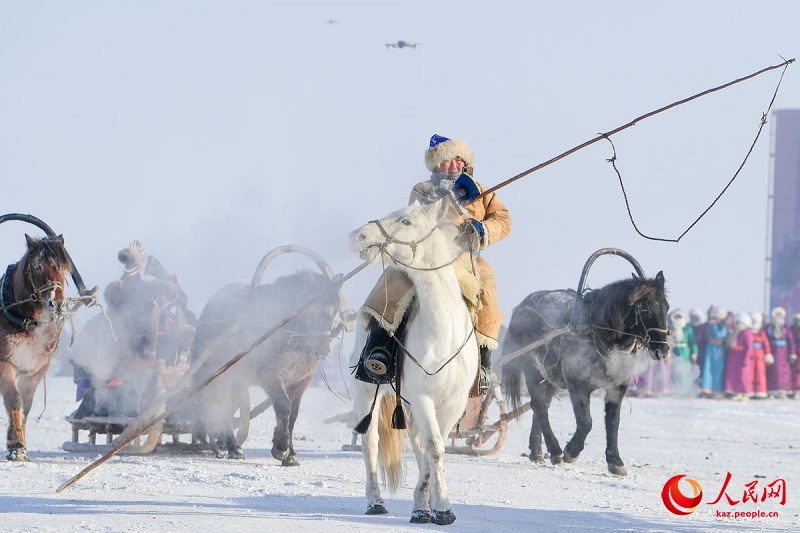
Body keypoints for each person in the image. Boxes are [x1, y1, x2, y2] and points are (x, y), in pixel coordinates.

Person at [359, 134, 511, 395]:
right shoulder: (423, 190)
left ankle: (483, 364)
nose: (452, 166)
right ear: (435, 165)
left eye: (457, 160)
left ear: (465, 163)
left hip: (464, 258)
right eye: (445, 161)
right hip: (426, 255)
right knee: (392, 281)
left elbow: (503, 221)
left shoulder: (483, 192)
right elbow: (413, 219)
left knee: (487, 293)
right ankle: (379, 348)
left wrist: (481, 229)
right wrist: (441, 205)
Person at [764, 307, 795, 399]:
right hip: (772, 351)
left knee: (783, 372)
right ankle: (771, 391)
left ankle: (782, 391)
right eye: (776, 315)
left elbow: (791, 341)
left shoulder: (785, 328)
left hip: (783, 353)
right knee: (772, 371)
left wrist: (792, 354)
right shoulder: (769, 327)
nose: (777, 317)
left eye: (779, 315)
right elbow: (765, 339)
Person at [699, 305, 727, 398]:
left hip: (719, 351)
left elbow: (719, 334)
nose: (716, 320)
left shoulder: (724, 326)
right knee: (707, 369)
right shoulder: (708, 325)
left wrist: (713, 325)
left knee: (718, 370)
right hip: (709, 349)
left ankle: (717, 390)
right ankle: (706, 389)